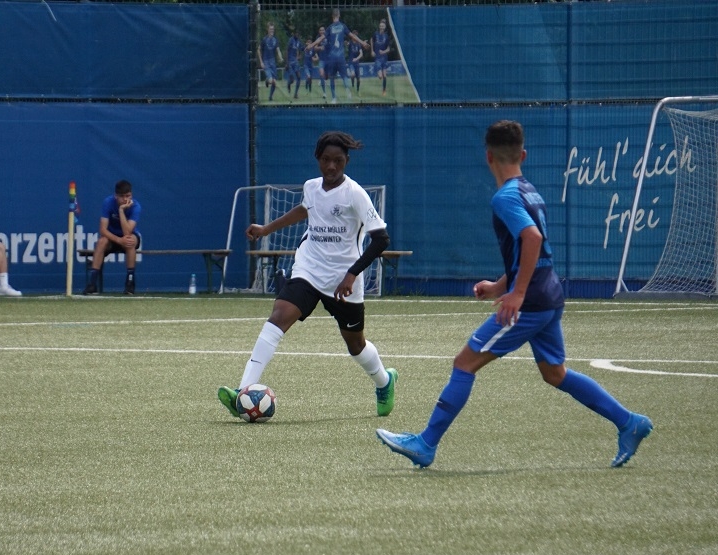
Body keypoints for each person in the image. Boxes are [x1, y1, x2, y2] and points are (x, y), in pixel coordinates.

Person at [376, 120, 653, 468]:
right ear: (523, 154)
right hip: (549, 294)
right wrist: (500, 286)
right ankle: (629, 422)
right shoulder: (529, 191)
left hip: (532, 302)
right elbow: (534, 251)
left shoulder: (505, 197)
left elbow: (532, 239)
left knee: (464, 363)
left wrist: (517, 293)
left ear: (488, 156)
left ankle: (425, 444)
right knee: (555, 373)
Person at [218, 131, 397, 419]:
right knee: (279, 317)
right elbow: (305, 210)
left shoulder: (355, 194)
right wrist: (266, 229)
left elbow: (381, 239)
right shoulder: (311, 187)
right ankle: (242, 392)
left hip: (343, 281)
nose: (331, 166)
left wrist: (352, 274)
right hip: (309, 269)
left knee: (356, 345)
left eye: (338, 161)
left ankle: (384, 381)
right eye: (326, 160)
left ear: (346, 161)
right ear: (318, 159)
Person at [83, 179, 142, 295]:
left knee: (130, 241)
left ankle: (130, 283)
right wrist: (119, 240)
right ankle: (92, 284)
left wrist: (121, 211)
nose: (125, 199)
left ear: (131, 195)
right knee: (101, 241)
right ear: (116, 196)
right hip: (112, 237)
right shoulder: (108, 202)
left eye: (128, 196)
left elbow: (127, 232)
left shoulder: (136, 206)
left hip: (128, 236)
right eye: (122, 196)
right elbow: (103, 230)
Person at [312, 9, 369, 104]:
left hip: (332, 58)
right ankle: (348, 90)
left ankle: (334, 98)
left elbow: (320, 39)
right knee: (344, 77)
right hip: (341, 57)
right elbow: (353, 36)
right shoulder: (343, 26)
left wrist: (311, 45)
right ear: (339, 15)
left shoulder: (330, 28)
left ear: (332, 16)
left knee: (332, 78)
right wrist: (362, 42)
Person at [258, 22, 283, 103]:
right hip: (266, 62)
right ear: (267, 30)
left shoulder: (275, 40)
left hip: (273, 62)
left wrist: (280, 57)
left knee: (274, 83)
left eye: (273, 29)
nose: (272, 30)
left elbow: (278, 50)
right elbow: (258, 50)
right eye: (271, 29)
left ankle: (270, 96)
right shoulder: (264, 40)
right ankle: (267, 80)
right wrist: (261, 62)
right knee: (272, 81)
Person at [372, 19, 391, 98]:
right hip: (377, 58)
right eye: (380, 26)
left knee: (384, 75)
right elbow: (371, 40)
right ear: (379, 26)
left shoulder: (386, 36)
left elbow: (388, 49)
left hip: (384, 58)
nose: (382, 27)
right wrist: (372, 50)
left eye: (383, 26)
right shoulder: (375, 34)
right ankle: (377, 72)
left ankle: (384, 90)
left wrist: (383, 52)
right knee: (380, 76)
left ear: (385, 27)